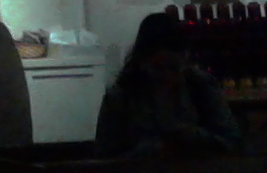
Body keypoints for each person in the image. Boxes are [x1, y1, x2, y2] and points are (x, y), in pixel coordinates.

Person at [95, 12, 243, 159]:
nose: (167, 76)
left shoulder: (202, 86)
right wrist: (148, 151)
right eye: (157, 68)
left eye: (174, 68)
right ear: (141, 62)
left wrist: (194, 136)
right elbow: (105, 157)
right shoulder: (120, 97)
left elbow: (232, 140)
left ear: (185, 61)